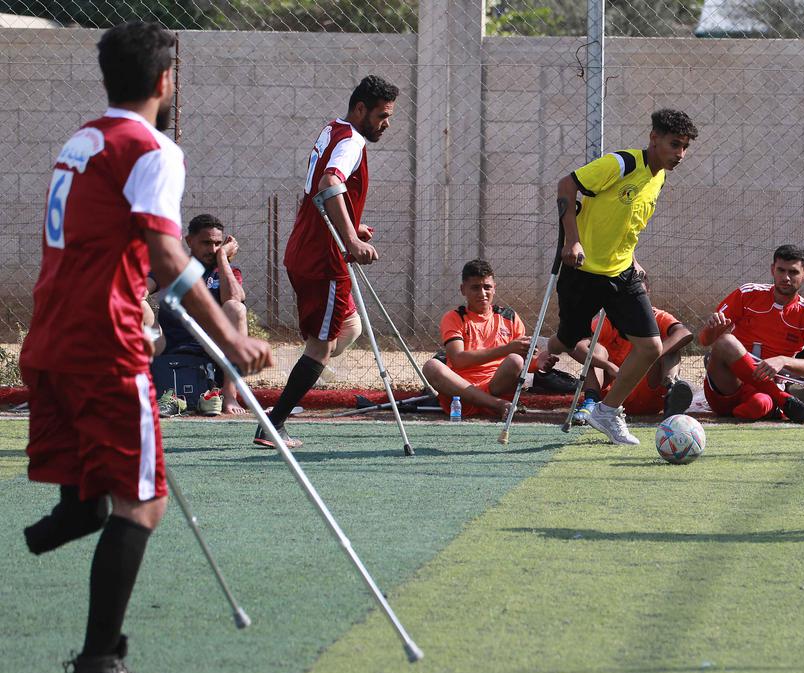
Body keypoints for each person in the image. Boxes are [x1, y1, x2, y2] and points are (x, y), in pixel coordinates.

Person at [19, 21, 270, 673]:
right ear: (166, 81)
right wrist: (230, 337)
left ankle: (67, 518)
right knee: (145, 501)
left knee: (95, 496)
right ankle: (98, 665)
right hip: (104, 346)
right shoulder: (152, 148)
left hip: (49, 341)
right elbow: (164, 251)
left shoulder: (81, 140)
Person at [532, 108, 698, 445]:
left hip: (621, 274)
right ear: (654, 139)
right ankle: (535, 352)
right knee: (567, 339)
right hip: (582, 272)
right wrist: (573, 240)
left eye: (684, 147)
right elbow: (567, 185)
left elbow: (626, 221)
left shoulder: (660, 176)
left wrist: (632, 257)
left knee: (650, 346)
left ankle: (606, 412)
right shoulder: (620, 164)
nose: (679, 154)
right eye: (674, 144)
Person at [257, 75, 398, 448]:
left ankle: (304, 372)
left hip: (305, 246)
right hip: (323, 258)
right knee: (321, 347)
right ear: (360, 109)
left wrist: (352, 224)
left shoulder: (333, 130)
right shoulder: (352, 141)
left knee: (348, 327)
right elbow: (329, 182)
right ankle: (274, 425)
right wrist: (349, 238)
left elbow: (324, 187)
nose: (386, 124)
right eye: (382, 115)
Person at [697, 245, 804, 423]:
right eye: (781, 270)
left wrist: (782, 360)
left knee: (759, 403)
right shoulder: (747, 294)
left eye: (793, 272)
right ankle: (784, 400)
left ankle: (767, 406)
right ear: (773, 269)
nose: (786, 278)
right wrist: (712, 329)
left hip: (764, 392)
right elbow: (704, 340)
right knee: (726, 341)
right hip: (727, 386)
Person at [149, 214, 248, 415]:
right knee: (138, 306)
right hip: (166, 344)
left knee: (235, 308)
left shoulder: (227, 270)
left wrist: (223, 259)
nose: (212, 249)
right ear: (189, 241)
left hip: (211, 348)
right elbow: (138, 291)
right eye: (206, 243)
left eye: (217, 244)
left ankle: (229, 395)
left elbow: (236, 298)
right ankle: (135, 389)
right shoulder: (170, 267)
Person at [422, 259, 542, 418]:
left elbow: (524, 361)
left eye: (487, 287)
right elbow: (458, 359)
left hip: (497, 388)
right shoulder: (454, 317)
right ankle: (496, 405)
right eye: (475, 288)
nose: (482, 293)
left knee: (516, 360)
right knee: (431, 366)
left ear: (494, 288)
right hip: (461, 392)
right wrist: (506, 349)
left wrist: (539, 362)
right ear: (463, 289)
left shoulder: (510, 317)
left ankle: (496, 402)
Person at [569, 276, 694, 423]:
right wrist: (608, 366)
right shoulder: (608, 320)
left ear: (647, 294)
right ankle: (590, 402)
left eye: (639, 295)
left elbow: (684, 334)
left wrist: (651, 355)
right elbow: (576, 347)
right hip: (611, 396)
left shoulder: (657, 317)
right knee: (595, 348)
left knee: (671, 348)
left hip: (650, 395)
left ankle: (672, 393)